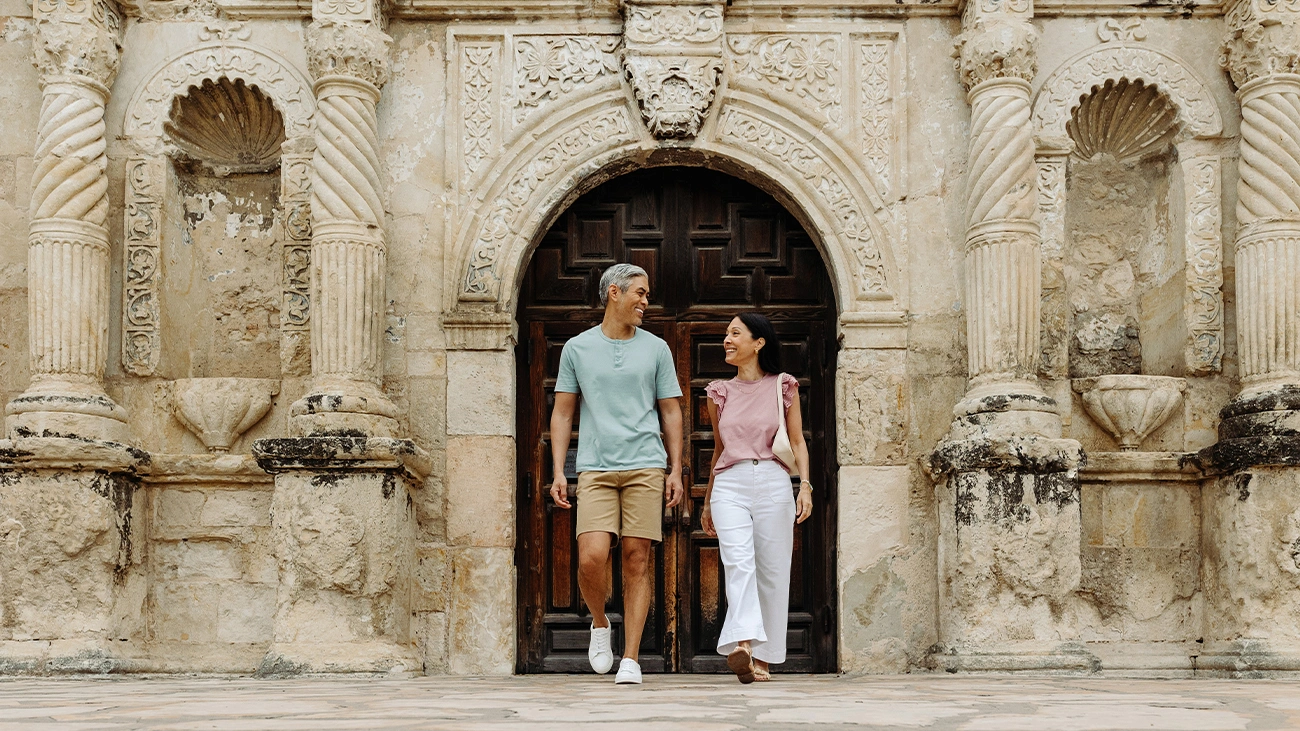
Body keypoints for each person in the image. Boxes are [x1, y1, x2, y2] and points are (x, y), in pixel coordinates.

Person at [549, 263, 685, 685]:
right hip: (595, 466)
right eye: (640, 293)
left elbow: (671, 411)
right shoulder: (576, 348)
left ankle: (631, 659)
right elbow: (564, 411)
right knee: (591, 557)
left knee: (636, 559)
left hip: (646, 463)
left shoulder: (657, 348)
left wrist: (676, 468)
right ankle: (600, 623)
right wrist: (559, 470)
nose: (646, 301)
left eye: (646, 294)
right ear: (614, 293)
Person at [701, 312, 814, 684]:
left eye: (735, 333)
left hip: (772, 480)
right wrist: (707, 499)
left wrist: (806, 487)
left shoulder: (783, 385)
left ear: (758, 342)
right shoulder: (719, 392)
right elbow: (719, 448)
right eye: (725, 334)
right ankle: (745, 644)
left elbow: (797, 441)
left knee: (773, 570)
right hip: (729, 483)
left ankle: (764, 658)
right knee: (738, 562)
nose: (726, 340)